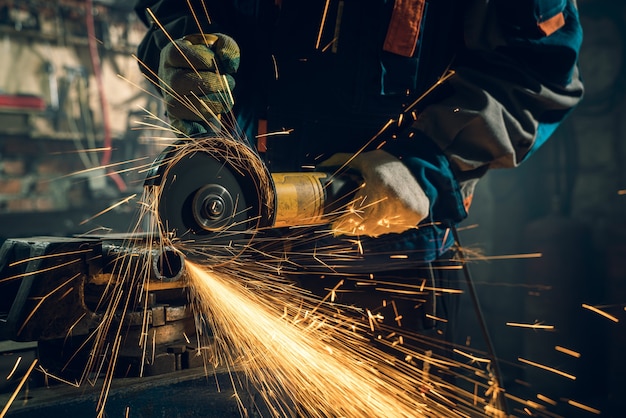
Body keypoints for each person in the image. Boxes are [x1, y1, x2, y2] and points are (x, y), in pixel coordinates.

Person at [134, 0, 583, 382]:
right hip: (236, 245)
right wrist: (182, 48)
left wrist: (425, 162)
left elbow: (537, 72)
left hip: (388, 269)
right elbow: (172, 8)